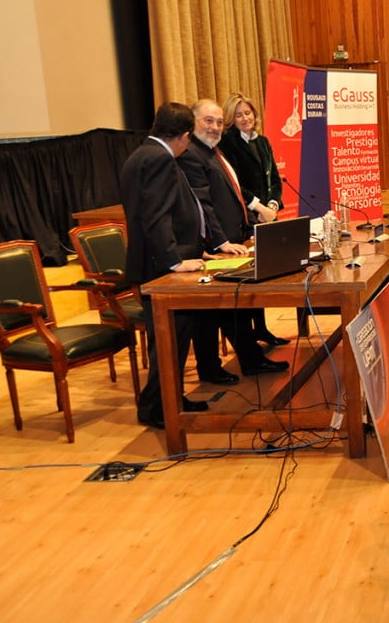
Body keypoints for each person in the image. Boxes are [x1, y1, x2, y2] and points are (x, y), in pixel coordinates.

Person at [119, 103, 228, 428]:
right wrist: (175, 261)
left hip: (161, 263)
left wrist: (195, 250)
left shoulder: (140, 155)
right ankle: (158, 408)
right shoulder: (159, 159)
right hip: (161, 270)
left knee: (171, 344)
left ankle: (166, 402)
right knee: (169, 343)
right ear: (182, 136)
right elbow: (156, 217)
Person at [179, 99, 290, 381]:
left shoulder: (212, 151)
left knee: (232, 307)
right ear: (193, 123)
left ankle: (248, 360)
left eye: (218, 122)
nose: (215, 127)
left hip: (232, 240)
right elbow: (204, 204)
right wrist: (218, 243)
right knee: (212, 313)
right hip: (212, 247)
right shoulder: (193, 154)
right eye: (208, 121)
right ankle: (214, 368)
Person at [218, 93, 283, 224]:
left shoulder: (263, 141)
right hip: (245, 216)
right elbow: (233, 183)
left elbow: (275, 179)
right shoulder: (226, 143)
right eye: (238, 115)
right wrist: (260, 208)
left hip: (268, 215)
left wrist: (271, 207)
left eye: (247, 113)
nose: (245, 118)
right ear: (231, 119)